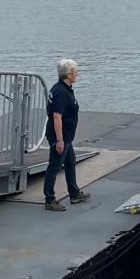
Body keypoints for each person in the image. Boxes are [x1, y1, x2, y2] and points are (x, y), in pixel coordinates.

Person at [44, 59, 89, 211]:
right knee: (54, 167)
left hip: (67, 136)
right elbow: (57, 117)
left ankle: (74, 193)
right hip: (60, 136)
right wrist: (59, 140)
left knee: (70, 163)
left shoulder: (63, 88)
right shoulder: (61, 92)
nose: (77, 74)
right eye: (75, 72)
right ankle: (49, 199)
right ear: (68, 75)